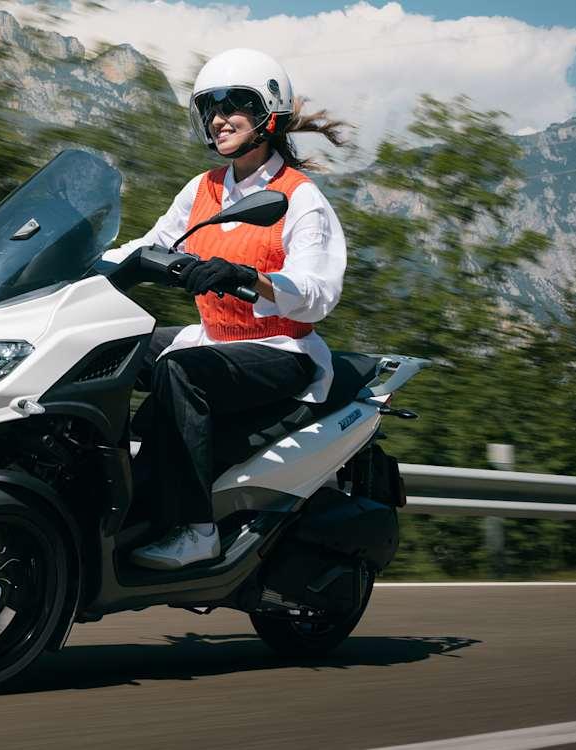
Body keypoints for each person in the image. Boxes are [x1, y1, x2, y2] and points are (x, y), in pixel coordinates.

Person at [105, 48, 351, 570]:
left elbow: (318, 293)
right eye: (210, 107)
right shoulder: (203, 188)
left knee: (178, 371)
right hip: (213, 338)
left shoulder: (300, 198)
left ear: (268, 111)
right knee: (105, 347)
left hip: (281, 348)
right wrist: (79, 263)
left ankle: (196, 530)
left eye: (233, 104)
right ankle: (106, 488)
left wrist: (248, 278)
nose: (218, 118)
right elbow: (150, 245)